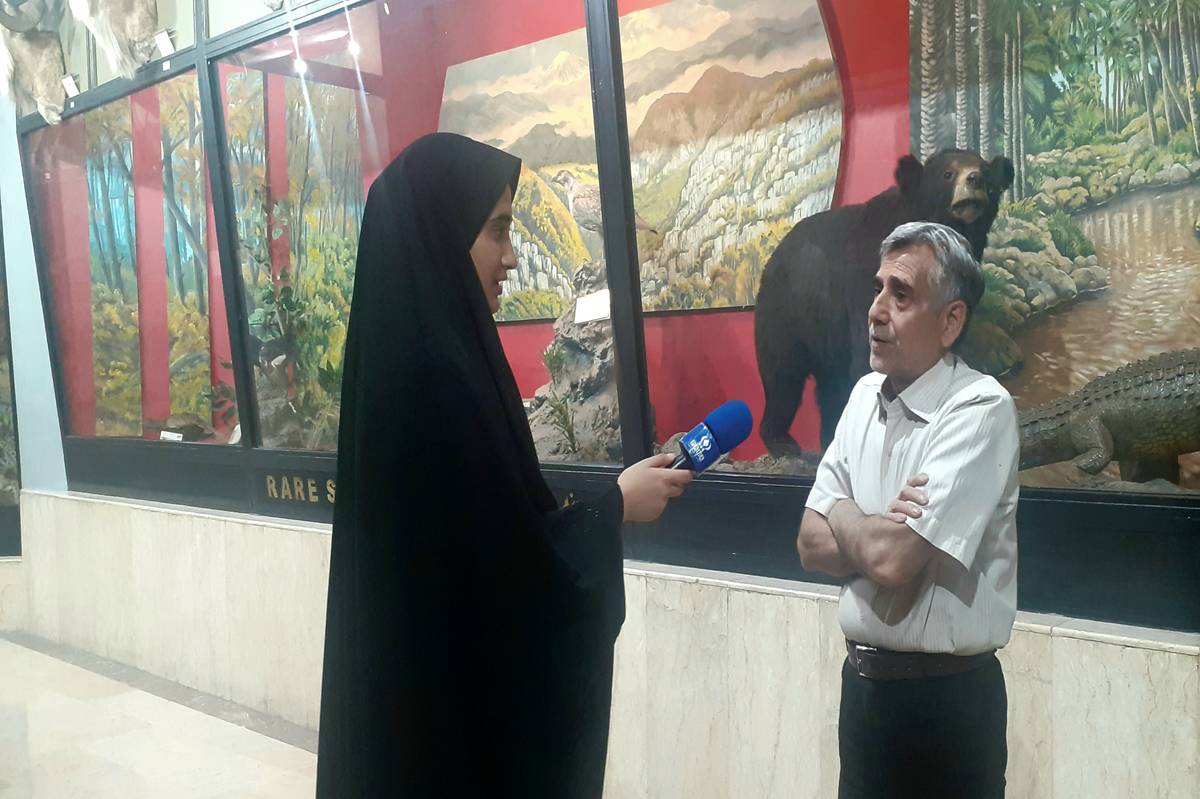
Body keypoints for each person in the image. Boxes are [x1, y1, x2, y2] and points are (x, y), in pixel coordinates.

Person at [316, 133, 693, 797]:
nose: (512, 256)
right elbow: (510, 580)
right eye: (497, 230)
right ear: (444, 230)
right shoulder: (438, 381)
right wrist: (615, 505)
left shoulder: (405, 360)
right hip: (449, 741)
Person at [797, 221, 1019, 798]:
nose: (876, 310)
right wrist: (869, 528)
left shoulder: (979, 409)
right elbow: (808, 543)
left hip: (947, 707)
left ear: (951, 321)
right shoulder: (860, 397)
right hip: (863, 696)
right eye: (878, 289)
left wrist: (841, 511)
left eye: (901, 295)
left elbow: (893, 560)